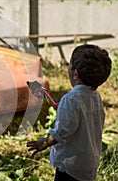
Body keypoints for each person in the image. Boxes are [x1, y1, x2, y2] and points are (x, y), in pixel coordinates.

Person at [27, 44, 112, 181]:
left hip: (70, 168)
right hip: (88, 165)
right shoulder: (95, 96)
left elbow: (63, 132)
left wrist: (45, 142)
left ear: (75, 73)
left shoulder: (71, 99)